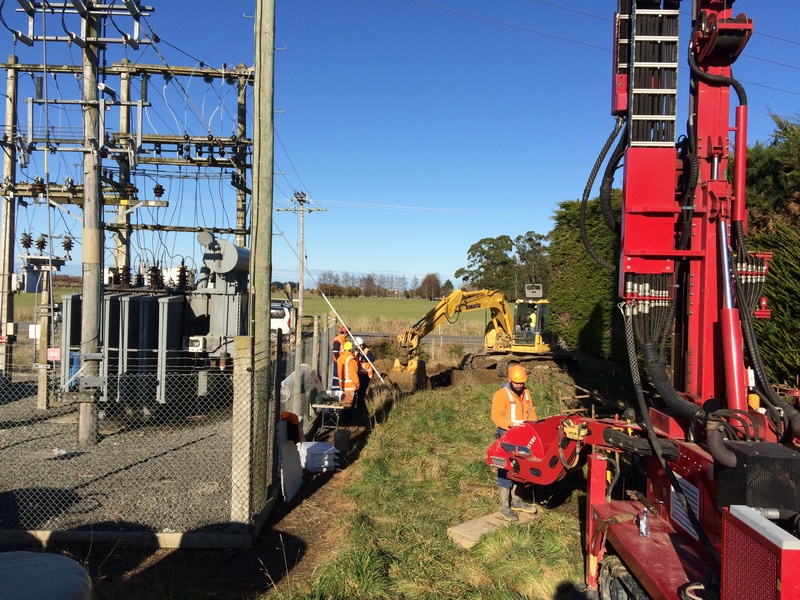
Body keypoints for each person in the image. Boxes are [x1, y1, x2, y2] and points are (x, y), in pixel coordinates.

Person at [491, 364, 538, 521]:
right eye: (516, 383)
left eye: (521, 383)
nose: (519, 385)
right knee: (506, 468)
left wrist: (534, 426)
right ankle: (505, 506)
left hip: (524, 434)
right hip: (507, 434)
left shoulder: (526, 393)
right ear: (510, 379)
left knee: (521, 468)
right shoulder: (501, 394)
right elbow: (496, 417)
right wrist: (512, 425)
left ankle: (517, 500)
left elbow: (531, 412)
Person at [337, 341, 360, 415]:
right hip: (350, 385)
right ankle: (348, 419)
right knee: (350, 405)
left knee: (344, 404)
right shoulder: (350, 359)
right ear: (351, 349)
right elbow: (353, 374)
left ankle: (343, 418)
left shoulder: (340, 358)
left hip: (342, 385)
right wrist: (357, 384)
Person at [354, 336, 375, 407]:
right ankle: (358, 402)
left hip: (366, 374)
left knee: (363, 389)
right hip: (359, 373)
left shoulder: (367, 351)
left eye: (360, 345)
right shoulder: (357, 351)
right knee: (359, 389)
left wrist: (363, 358)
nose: (359, 347)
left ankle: (361, 403)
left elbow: (372, 358)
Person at [331, 325, 348, 393]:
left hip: (341, 360)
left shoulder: (342, 338)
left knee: (339, 375)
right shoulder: (338, 339)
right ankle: (335, 390)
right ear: (345, 332)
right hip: (338, 361)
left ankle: (338, 389)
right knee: (336, 376)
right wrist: (338, 360)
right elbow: (335, 351)